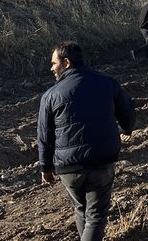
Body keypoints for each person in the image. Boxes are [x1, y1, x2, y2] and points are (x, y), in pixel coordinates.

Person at [38, 41, 136, 241]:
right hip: (102, 158)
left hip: (69, 167)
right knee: (96, 216)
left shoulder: (50, 95)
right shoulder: (107, 83)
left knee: (81, 209)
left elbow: (44, 135)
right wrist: (127, 129)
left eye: (54, 63)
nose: (51, 68)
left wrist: (45, 167)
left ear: (66, 62)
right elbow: (128, 111)